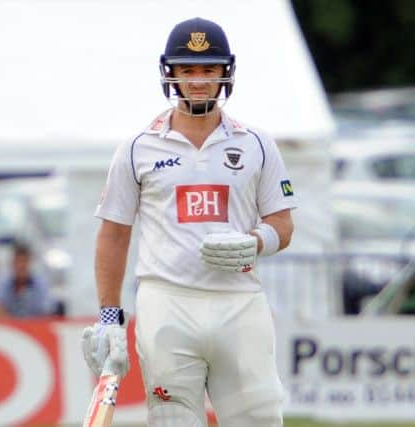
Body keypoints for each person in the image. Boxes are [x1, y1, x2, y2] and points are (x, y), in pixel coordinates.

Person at [82, 17, 296, 427]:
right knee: (172, 419)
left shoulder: (255, 143)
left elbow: (283, 223)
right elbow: (113, 234)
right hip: (167, 301)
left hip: (239, 300)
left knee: (259, 417)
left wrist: (256, 241)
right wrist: (110, 317)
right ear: (171, 74)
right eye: (188, 70)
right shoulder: (137, 147)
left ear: (224, 74)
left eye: (208, 69)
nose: (198, 80)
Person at [0, 242, 55, 318]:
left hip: (35, 327)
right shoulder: (3, 282)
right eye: (18, 261)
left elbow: (47, 312)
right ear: (12, 263)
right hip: (9, 327)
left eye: (24, 261)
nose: (21, 265)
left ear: (30, 263)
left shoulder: (40, 284)